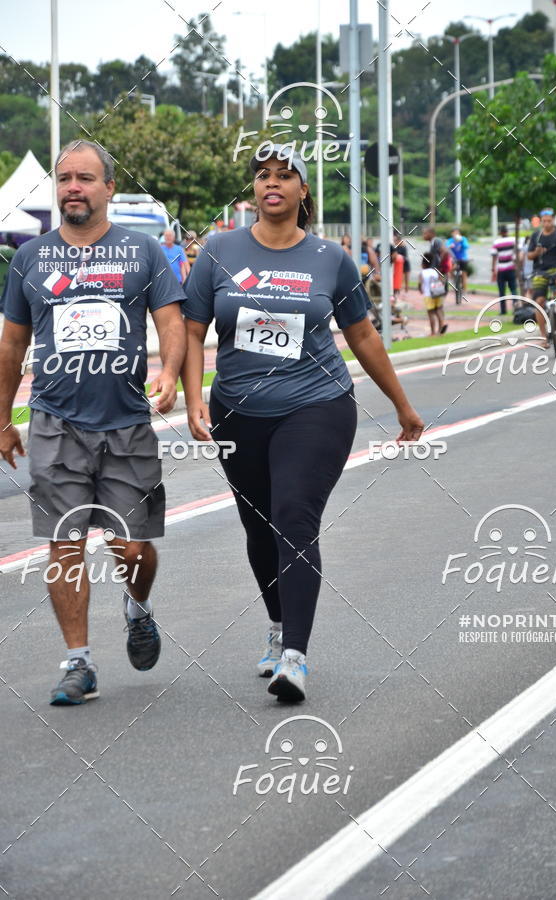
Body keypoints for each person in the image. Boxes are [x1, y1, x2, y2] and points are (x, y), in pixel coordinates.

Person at [181, 144, 423, 703]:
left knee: (293, 513)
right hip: (238, 410)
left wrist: (403, 406)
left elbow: (362, 334)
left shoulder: (330, 258)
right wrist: (194, 399)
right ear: (253, 192)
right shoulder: (218, 251)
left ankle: (295, 655)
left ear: (302, 191)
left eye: (285, 176)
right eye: (263, 176)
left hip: (317, 406)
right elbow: (192, 330)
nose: (273, 184)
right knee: (257, 525)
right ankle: (276, 623)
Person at [0, 140, 186, 705]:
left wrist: (171, 372)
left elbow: (171, 320)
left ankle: (136, 605)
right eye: (63, 179)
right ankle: (78, 662)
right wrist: (4, 415)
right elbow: (12, 341)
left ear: (108, 187)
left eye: (84, 178)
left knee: (132, 550)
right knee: (66, 544)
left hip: (127, 421)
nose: (72, 188)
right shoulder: (31, 258)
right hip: (56, 424)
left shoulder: (143, 252)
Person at [527, 208, 556, 346]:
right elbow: (529, 256)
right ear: (541, 221)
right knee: (539, 301)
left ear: (553, 220)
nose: (547, 223)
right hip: (539, 271)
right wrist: (536, 252)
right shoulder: (536, 236)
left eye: (549, 221)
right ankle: (543, 337)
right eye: (544, 221)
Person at [419, 252, 448, 336]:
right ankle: (441, 329)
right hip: (437, 293)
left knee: (431, 313)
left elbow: (420, 284)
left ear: (423, 264)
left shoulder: (422, 273)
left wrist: (421, 290)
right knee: (438, 310)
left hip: (428, 295)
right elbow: (441, 281)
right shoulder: (435, 271)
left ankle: (433, 332)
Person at [491, 225, 517, 315]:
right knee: (513, 289)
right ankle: (516, 307)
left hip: (501, 269)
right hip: (511, 267)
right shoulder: (513, 240)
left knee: (502, 291)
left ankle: (503, 310)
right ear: (507, 231)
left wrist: (493, 269)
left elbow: (494, 256)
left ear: (500, 232)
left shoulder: (496, 242)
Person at [446, 227, 470, 292]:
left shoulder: (463, 239)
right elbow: (446, 248)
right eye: (454, 232)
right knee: (450, 269)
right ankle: (455, 280)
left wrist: (462, 242)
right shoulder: (450, 240)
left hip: (462, 258)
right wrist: (449, 246)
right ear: (452, 234)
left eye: (457, 232)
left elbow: (467, 246)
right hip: (453, 259)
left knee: (464, 273)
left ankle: (465, 289)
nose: (456, 234)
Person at [393, 230, 410, 295]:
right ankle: (399, 290)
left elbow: (405, 257)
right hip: (399, 265)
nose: (395, 242)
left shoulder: (403, 247)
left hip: (405, 264)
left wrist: (399, 256)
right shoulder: (396, 247)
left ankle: (406, 291)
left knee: (406, 279)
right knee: (399, 278)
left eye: (396, 241)